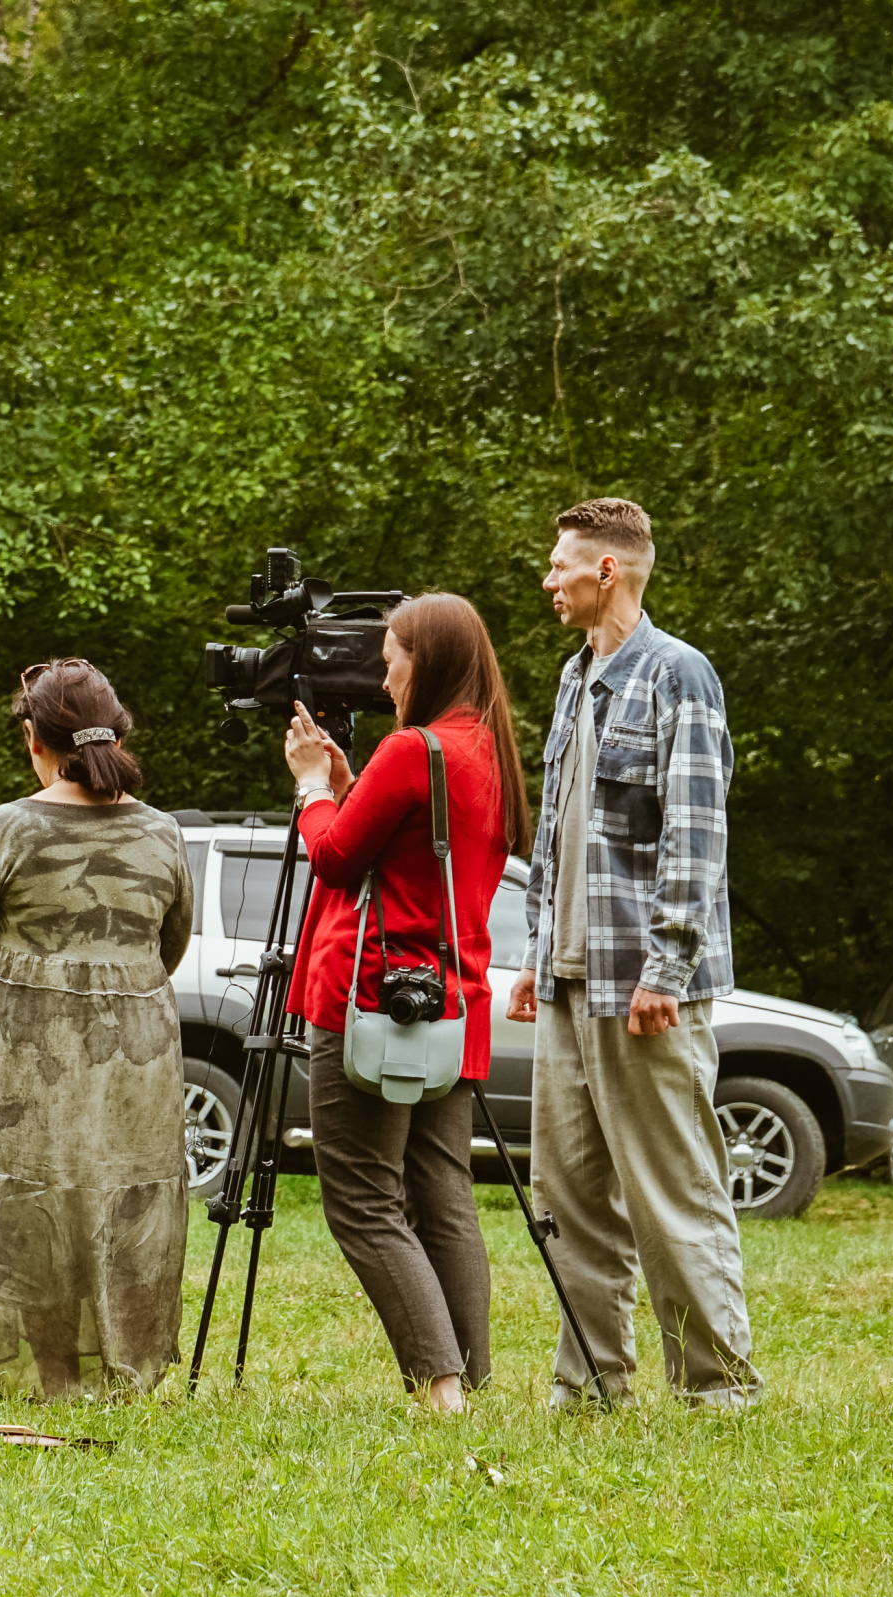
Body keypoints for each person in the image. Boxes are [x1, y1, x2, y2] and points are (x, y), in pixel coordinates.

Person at [504, 496, 761, 1412]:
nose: (549, 579)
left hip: (645, 985)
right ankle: (590, 1387)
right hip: (570, 982)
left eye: (560, 564)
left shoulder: (678, 674)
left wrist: (668, 966)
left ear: (606, 570)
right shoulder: (575, 679)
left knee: (671, 1191)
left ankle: (717, 1390)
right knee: (566, 1198)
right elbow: (556, 835)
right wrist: (536, 952)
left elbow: (695, 835)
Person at [282, 594, 531, 1415]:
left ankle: (440, 1386)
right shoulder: (487, 750)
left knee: (363, 1200)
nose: (383, 678)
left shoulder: (410, 749)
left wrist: (313, 789)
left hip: (372, 1002)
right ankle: (470, 1379)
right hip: (452, 1005)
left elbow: (334, 858)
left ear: (427, 664)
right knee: (442, 1193)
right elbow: (412, 854)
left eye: (392, 661)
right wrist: (351, 787)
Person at [0, 660, 195, 1399]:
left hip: (28, 1048)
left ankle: (52, 1374)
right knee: (131, 1197)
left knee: (32, 1200)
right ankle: (129, 1368)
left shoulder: (4, 829)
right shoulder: (164, 832)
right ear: (118, 731)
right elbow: (171, 945)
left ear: (34, 737)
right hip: (137, 1052)